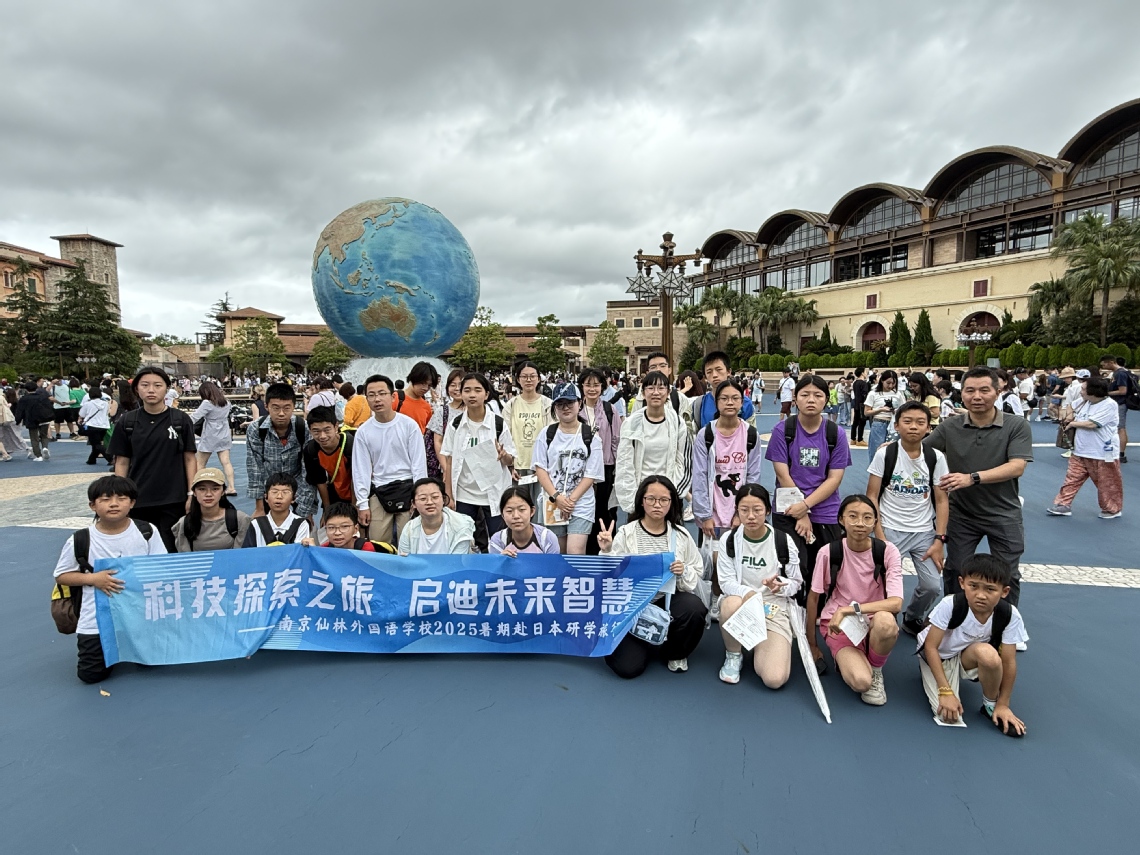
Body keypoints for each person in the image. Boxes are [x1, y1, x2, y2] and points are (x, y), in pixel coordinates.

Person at [927, 366, 1033, 611]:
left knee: (1007, 573)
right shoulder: (950, 427)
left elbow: (1017, 466)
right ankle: (955, 618)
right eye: (970, 391)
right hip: (962, 514)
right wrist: (895, 447)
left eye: (984, 390)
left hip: (1003, 513)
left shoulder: (1016, 426)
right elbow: (922, 451)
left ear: (998, 392)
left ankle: (1005, 623)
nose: (977, 396)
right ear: (962, 393)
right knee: (956, 570)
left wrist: (972, 478)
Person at [53, 475, 167, 683]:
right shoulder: (80, 539)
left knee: (153, 661)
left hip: (140, 613)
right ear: (92, 505)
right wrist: (94, 579)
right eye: (105, 499)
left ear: (132, 503)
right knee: (90, 675)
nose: (114, 504)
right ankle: (111, 647)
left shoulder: (147, 531)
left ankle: (129, 644)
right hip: (96, 616)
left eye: (121, 498)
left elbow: (161, 566)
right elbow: (62, 576)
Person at [598, 475, 707, 677]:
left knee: (693, 607)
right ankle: (643, 641)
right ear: (642, 501)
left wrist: (683, 570)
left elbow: (697, 569)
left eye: (664, 500)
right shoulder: (627, 533)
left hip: (668, 601)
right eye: (651, 499)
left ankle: (675, 652)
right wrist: (607, 550)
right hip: (631, 606)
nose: (657, 505)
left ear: (672, 503)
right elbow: (608, 575)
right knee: (627, 668)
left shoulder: (681, 535)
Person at [807, 495, 903, 705]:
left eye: (867, 517)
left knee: (886, 622)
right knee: (860, 682)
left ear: (875, 522)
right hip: (840, 626)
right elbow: (814, 598)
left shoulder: (888, 551)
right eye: (853, 516)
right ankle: (860, 659)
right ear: (841, 519)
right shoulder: (828, 552)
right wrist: (811, 645)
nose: (860, 523)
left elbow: (896, 603)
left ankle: (876, 670)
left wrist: (848, 609)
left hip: (872, 620)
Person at [918, 553, 1027, 736]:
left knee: (989, 655)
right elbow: (930, 647)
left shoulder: (1010, 614)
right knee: (948, 716)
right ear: (962, 583)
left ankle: (990, 705)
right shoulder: (950, 604)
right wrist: (945, 692)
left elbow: (1008, 661)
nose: (981, 595)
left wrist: (1003, 704)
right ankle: (934, 677)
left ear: (1005, 591)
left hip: (967, 655)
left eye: (990, 589)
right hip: (938, 657)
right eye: (973, 586)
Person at [866, 400, 950, 634]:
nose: (914, 426)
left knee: (932, 585)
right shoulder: (886, 454)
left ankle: (912, 616)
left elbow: (942, 500)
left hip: (924, 532)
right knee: (882, 582)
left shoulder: (936, 457)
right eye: (908, 421)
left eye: (920, 422)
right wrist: (880, 534)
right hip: (890, 528)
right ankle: (880, 622)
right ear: (896, 425)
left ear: (929, 427)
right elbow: (872, 496)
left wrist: (939, 539)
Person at [765, 374, 852, 596]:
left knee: (823, 570)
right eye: (805, 395)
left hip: (825, 512)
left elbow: (834, 478)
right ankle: (792, 609)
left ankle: (817, 610)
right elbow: (782, 474)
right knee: (792, 567)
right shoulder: (783, 430)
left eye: (818, 395)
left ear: (826, 399)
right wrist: (801, 512)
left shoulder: (836, 434)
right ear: (795, 398)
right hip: (788, 510)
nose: (811, 400)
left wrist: (805, 506)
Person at [716, 484, 802, 688]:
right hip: (742, 604)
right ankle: (733, 654)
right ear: (737, 511)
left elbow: (796, 583)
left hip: (773, 608)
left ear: (768, 511)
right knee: (730, 603)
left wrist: (780, 586)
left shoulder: (783, 541)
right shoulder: (729, 540)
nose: (751, 516)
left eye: (757, 510)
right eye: (744, 510)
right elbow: (726, 582)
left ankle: (760, 644)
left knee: (774, 679)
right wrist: (748, 593)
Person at [108, 366, 198, 552]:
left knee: (170, 549)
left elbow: (190, 458)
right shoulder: (127, 422)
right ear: (137, 389)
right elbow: (122, 461)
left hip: (174, 499)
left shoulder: (180, 420)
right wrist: (120, 495)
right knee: (140, 549)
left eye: (157, 385)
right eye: (145, 385)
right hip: (138, 498)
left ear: (167, 388)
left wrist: (191, 494)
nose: (151, 390)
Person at [439, 372, 517, 552]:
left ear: (486, 394)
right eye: (467, 390)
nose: (472, 395)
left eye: (477, 390)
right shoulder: (455, 424)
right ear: (461, 393)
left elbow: (510, 459)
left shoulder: (498, 423)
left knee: (499, 540)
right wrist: (449, 494)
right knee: (463, 541)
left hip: (494, 492)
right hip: (464, 493)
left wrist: (503, 455)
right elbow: (449, 461)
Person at [352, 374, 428, 545]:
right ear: (366, 399)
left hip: (408, 489)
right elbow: (361, 470)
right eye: (371, 395)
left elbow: (419, 464)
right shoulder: (363, 432)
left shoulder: (409, 425)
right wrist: (362, 504)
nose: (377, 399)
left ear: (393, 396)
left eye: (382, 393)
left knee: (410, 543)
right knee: (378, 543)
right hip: (379, 490)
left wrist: (420, 495)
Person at [692, 378, 764, 557]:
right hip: (712, 514)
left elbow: (753, 477)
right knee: (714, 564)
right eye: (724, 398)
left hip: (739, 515)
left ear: (742, 402)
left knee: (740, 561)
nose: (730, 402)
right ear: (716, 402)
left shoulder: (751, 434)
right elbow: (699, 476)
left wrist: (742, 513)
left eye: (735, 398)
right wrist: (705, 516)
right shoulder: (706, 435)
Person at [532, 382, 604, 555]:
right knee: (557, 553)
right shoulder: (546, 434)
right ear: (554, 407)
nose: (565, 408)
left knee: (575, 553)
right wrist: (557, 498)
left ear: (580, 403)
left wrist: (570, 501)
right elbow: (540, 468)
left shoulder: (591, 436)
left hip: (581, 503)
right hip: (552, 502)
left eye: (570, 403)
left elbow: (591, 474)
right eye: (560, 404)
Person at [615, 370, 691, 525]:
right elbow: (624, 464)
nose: (656, 392)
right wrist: (633, 501)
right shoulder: (631, 424)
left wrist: (671, 492)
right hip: (640, 495)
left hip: (668, 495)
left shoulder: (677, 423)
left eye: (661, 388)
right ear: (643, 393)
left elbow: (684, 460)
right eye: (650, 388)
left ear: (668, 393)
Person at [1047, 375, 1122, 519]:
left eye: (1083, 389)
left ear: (1093, 392)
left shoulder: (1109, 405)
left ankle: (1112, 509)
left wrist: (1072, 423)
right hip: (1080, 450)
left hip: (1102, 452)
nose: (1080, 391)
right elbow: (1071, 405)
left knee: (1107, 483)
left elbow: (1093, 424)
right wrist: (1069, 415)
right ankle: (1063, 504)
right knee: (1071, 479)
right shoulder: (1084, 401)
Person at [246, 382, 318, 524]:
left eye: (286, 408)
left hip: (298, 485)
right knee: (267, 529)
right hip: (269, 486)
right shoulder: (256, 429)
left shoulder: (303, 428)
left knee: (301, 528)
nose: (281, 413)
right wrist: (259, 507)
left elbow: (308, 471)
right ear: (266, 406)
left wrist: (306, 511)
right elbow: (255, 468)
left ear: (294, 406)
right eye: (275, 408)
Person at [578, 368, 622, 554]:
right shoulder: (575, 409)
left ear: (602, 387)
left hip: (605, 468)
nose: (592, 389)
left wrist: (617, 468)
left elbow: (617, 439)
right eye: (588, 385)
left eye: (596, 385)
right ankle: (586, 551)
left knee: (604, 511)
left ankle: (606, 551)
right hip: (580, 470)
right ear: (581, 386)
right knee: (583, 511)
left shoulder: (609, 410)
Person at [501, 361, 553, 507]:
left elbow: (552, 436)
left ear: (538, 379)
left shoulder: (548, 404)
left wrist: (547, 465)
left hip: (541, 465)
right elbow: (505, 437)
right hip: (518, 466)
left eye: (532, 376)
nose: (528, 380)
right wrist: (510, 466)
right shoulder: (511, 405)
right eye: (524, 376)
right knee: (519, 506)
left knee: (540, 508)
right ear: (518, 379)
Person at [173, 467, 252, 552]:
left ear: (223, 492)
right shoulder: (184, 523)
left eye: (215, 489)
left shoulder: (240, 520)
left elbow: (241, 555)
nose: (208, 494)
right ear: (194, 492)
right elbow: (186, 557)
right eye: (202, 489)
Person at [302, 405, 355, 526]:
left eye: (327, 430)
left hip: (357, 494)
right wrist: (327, 510)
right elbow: (319, 481)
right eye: (316, 431)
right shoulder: (311, 451)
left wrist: (355, 507)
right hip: (335, 495)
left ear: (336, 427)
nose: (322, 436)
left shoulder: (351, 444)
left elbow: (356, 478)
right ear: (310, 430)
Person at [397, 477, 476, 554]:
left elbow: (456, 560)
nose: (430, 502)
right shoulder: (409, 529)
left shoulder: (461, 525)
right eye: (423, 498)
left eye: (435, 497)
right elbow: (404, 559)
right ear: (413, 503)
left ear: (443, 499)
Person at [190, 381, 236, 495]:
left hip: (210, 433)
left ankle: (198, 485)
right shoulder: (226, 402)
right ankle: (231, 487)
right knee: (226, 462)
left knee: (200, 462)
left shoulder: (207, 403)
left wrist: (182, 422)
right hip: (224, 432)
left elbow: (194, 417)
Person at [241, 473, 311, 546]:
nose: (279, 496)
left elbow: (300, 551)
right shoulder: (256, 524)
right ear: (266, 497)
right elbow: (248, 551)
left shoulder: (301, 524)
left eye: (285, 492)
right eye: (274, 492)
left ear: (293, 498)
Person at [488, 486, 561, 555]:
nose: (516, 516)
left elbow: (553, 564)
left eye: (521, 509)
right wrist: (501, 560)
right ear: (502, 515)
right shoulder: (498, 540)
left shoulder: (547, 538)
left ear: (532, 511)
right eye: (509, 511)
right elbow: (494, 564)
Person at [693, 351, 755, 430]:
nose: (714, 375)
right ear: (705, 377)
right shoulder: (699, 404)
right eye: (709, 372)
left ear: (728, 371)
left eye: (718, 369)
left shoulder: (745, 403)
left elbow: (751, 434)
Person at [301, 502, 397, 552]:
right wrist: (313, 551)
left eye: (344, 527)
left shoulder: (366, 549)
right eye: (331, 527)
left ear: (356, 529)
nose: (337, 533)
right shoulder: (325, 548)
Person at [863, 369, 903, 460]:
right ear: (882, 381)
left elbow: (903, 408)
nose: (890, 386)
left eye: (893, 383)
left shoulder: (898, 394)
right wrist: (880, 410)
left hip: (894, 424)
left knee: (893, 452)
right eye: (888, 383)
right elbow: (866, 412)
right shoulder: (873, 393)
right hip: (879, 423)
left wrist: (896, 411)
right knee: (876, 451)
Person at [14, 380, 55, 461]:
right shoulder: (42, 397)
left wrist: (17, 420)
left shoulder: (24, 399)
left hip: (31, 419)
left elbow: (20, 411)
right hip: (44, 418)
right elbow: (49, 407)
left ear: (26, 389)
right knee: (44, 435)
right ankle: (45, 447)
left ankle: (38, 455)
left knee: (34, 438)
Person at [1102, 355, 1131, 463]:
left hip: (1120, 403)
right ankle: (1118, 451)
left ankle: (1121, 453)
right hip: (1118, 403)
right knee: (1118, 427)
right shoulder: (1122, 372)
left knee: (1120, 428)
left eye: (1104, 364)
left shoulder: (1120, 373)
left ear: (1111, 362)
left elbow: (1123, 391)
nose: (1104, 367)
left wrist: (1107, 393)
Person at [395, 361, 437, 433]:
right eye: (422, 383)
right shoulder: (395, 399)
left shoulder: (426, 407)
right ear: (413, 378)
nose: (426, 388)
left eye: (429, 385)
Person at [77, 385, 112, 465]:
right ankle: (91, 459)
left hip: (92, 425)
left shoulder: (88, 404)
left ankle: (110, 458)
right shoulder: (105, 403)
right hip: (104, 425)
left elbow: (82, 414)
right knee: (97, 442)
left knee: (96, 444)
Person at [849, 367, 870, 446]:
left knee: (855, 422)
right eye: (865, 372)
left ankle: (853, 439)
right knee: (862, 422)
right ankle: (860, 439)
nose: (866, 373)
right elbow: (865, 394)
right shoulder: (863, 383)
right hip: (862, 404)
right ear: (862, 373)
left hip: (856, 404)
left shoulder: (855, 383)